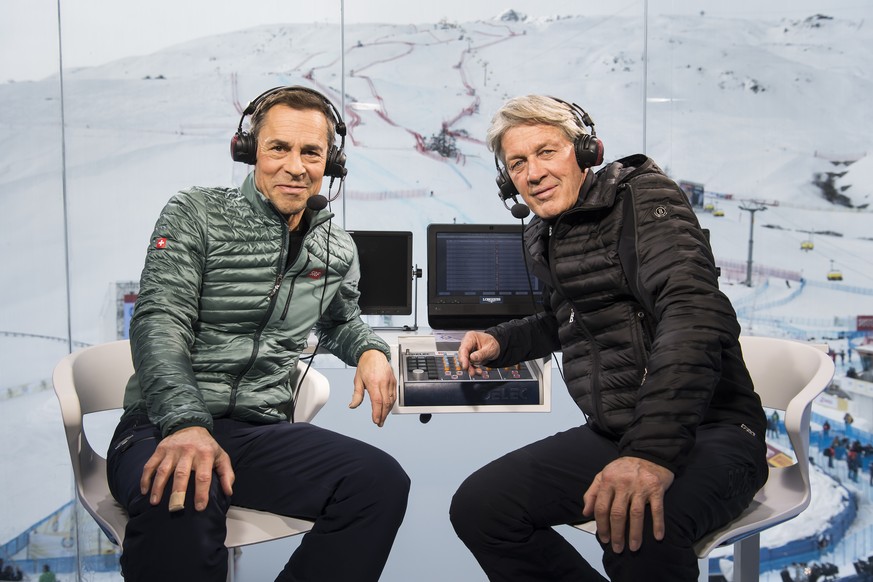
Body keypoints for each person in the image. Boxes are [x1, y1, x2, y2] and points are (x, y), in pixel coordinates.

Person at [449, 95, 768, 582]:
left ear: (584, 151)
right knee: (483, 508)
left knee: (635, 532)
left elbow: (692, 316)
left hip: (711, 428)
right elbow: (574, 319)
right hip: (618, 431)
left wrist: (649, 454)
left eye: (546, 152)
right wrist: (502, 342)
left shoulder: (644, 198)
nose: (533, 173)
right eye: (518, 163)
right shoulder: (548, 233)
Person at [106, 86, 410, 581]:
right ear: (250, 151)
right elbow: (161, 319)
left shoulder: (336, 248)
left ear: (329, 162)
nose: (295, 166)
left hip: (258, 431)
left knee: (377, 482)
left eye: (310, 152)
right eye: (278, 148)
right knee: (183, 491)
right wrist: (185, 423)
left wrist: (370, 351)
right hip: (161, 422)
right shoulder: (195, 212)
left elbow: (340, 321)